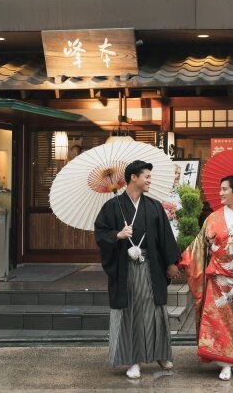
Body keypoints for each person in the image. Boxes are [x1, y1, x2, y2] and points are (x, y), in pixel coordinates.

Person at [94, 160, 181, 379]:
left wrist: (171, 263)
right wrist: (117, 235)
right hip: (126, 269)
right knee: (131, 312)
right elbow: (101, 232)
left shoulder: (153, 206)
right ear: (134, 177)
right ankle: (133, 360)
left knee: (155, 311)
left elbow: (165, 237)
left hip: (151, 266)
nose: (149, 180)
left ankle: (160, 353)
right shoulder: (113, 206)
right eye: (147, 177)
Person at [179, 175, 233, 381]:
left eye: (225, 189)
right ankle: (226, 363)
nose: (220, 193)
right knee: (220, 322)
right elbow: (199, 245)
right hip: (218, 278)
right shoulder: (213, 218)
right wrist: (182, 261)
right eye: (220, 189)